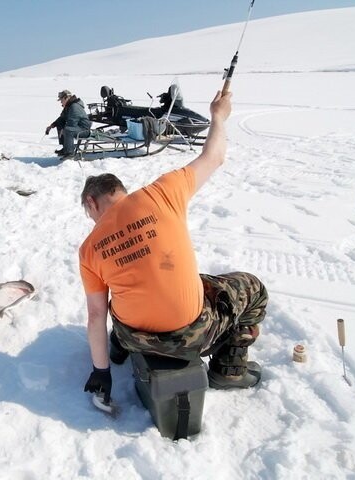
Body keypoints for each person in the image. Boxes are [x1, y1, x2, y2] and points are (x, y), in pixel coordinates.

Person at [78, 90, 268, 405]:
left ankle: (118, 348)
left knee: (125, 287)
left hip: (133, 336)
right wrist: (219, 116)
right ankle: (229, 370)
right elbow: (214, 156)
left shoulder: (88, 249)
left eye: (90, 215)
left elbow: (96, 315)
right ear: (121, 191)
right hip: (191, 335)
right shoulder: (162, 192)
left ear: (91, 202)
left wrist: (102, 371)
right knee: (253, 288)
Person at [45, 90, 92, 159]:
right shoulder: (68, 106)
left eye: (61, 100)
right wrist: (52, 125)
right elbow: (62, 118)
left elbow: (72, 123)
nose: (61, 102)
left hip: (84, 130)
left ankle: (70, 153)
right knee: (60, 124)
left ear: (66, 98)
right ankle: (65, 149)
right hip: (76, 128)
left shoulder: (74, 107)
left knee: (68, 129)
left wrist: (63, 130)